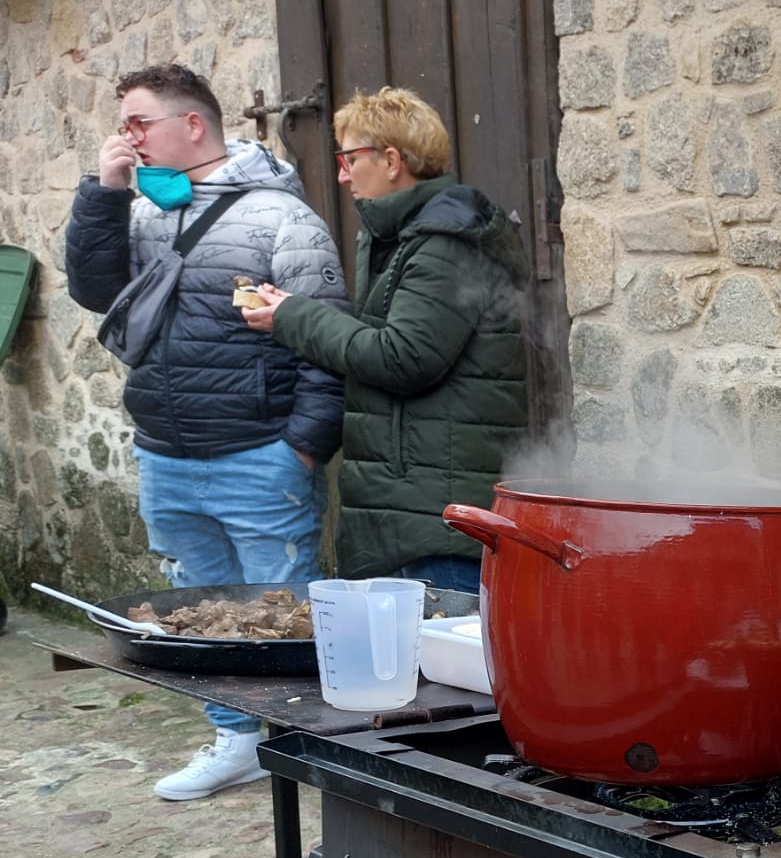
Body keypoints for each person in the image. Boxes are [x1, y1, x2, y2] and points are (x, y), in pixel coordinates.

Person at [65, 63, 347, 801]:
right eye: (123, 124)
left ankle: (304, 744)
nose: (127, 137)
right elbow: (94, 291)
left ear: (192, 125)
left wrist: (303, 446)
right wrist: (104, 191)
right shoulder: (146, 211)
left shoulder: (281, 218)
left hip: (260, 454)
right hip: (165, 454)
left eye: (138, 123)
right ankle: (235, 740)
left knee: (283, 609)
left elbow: (327, 342)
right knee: (194, 612)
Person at [240, 86, 529, 592]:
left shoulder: (445, 243)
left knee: (442, 666)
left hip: (435, 520)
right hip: (413, 507)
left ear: (392, 160)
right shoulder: (406, 237)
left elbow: (404, 357)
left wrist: (293, 317)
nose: (341, 174)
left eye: (349, 157)